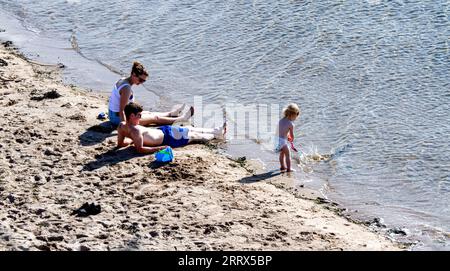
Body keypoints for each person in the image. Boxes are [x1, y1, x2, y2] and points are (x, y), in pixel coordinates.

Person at [108, 61, 194, 127]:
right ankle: (181, 119)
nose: (141, 83)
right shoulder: (126, 88)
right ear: (134, 74)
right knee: (154, 118)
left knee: (148, 113)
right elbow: (122, 110)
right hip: (117, 118)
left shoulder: (123, 80)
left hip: (113, 114)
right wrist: (126, 126)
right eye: (141, 80)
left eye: (144, 81)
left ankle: (171, 114)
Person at [117, 102, 226, 154]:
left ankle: (216, 131)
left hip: (162, 131)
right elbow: (140, 149)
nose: (140, 118)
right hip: (168, 138)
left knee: (189, 129)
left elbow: (120, 144)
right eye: (139, 115)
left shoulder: (122, 125)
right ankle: (216, 134)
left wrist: (131, 142)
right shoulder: (135, 131)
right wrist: (160, 148)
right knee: (194, 135)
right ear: (131, 116)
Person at [275, 103, 300, 172]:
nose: (296, 117)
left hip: (277, 140)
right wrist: (291, 139)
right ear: (293, 114)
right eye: (296, 115)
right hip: (283, 141)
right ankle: (289, 168)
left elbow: (280, 131)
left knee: (282, 154)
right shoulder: (291, 124)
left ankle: (282, 166)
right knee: (288, 154)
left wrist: (287, 136)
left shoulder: (281, 121)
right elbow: (292, 136)